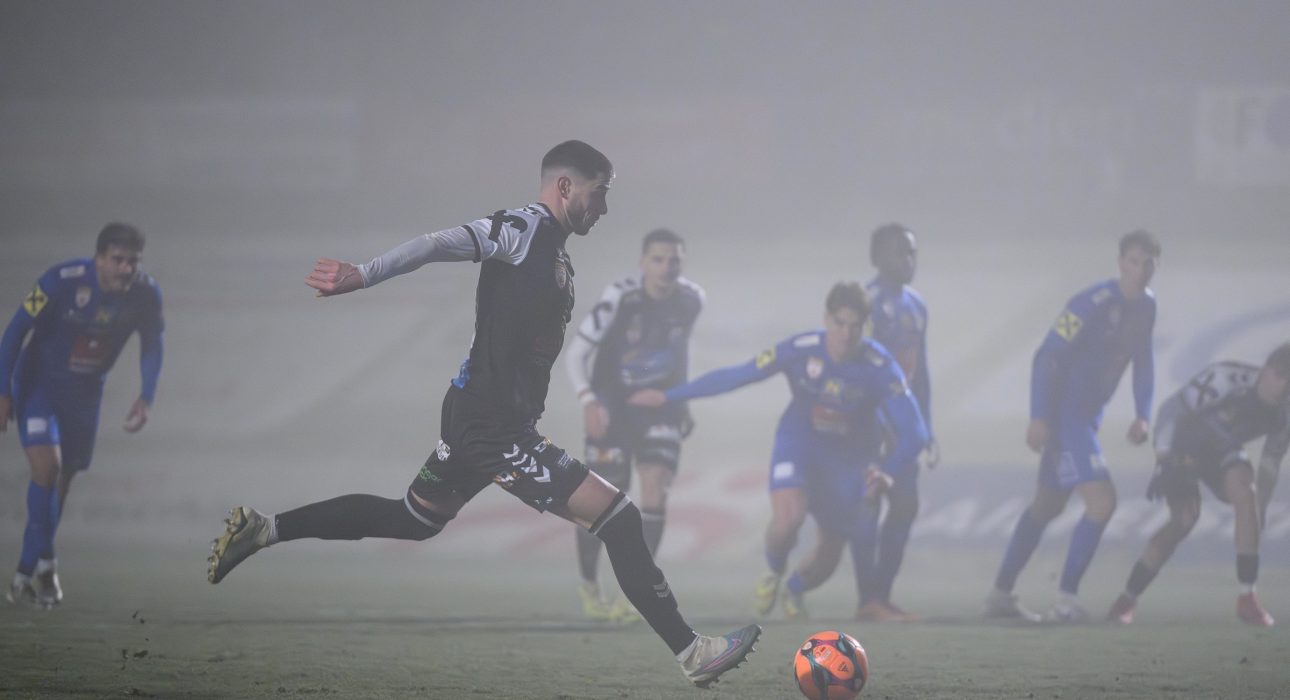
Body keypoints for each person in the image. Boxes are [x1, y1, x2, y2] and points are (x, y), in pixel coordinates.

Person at [203, 141, 760, 687]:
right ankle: (692, 651)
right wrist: (365, 273)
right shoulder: (523, 228)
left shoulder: (556, 251)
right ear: (565, 187)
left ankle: (265, 529)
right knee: (620, 518)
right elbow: (438, 242)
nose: (605, 207)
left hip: (481, 419)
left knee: (412, 519)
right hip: (492, 428)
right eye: (600, 193)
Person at [629, 282, 929, 620]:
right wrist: (670, 396)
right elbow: (739, 375)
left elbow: (916, 433)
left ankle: (796, 588)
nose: (846, 334)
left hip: (849, 460)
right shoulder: (800, 349)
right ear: (826, 318)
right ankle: (773, 570)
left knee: (829, 552)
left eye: (855, 326)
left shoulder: (880, 366)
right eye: (840, 324)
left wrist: (886, 472)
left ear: (865, 326)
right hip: (800, 444)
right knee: (788, 520)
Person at [984, 230, 1160, 623]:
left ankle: (999, 594)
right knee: (1103, 501)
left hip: (1087, 417)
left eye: (1149, 263)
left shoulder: (1147, 308)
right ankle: (1065, 601)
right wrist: (1039, 416)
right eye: (1134, 261)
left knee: (1048, 505)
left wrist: (1143, 413)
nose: (1141, 270)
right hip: (1067, 416)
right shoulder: (1089, 303)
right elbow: (1046, 356)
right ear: (1120, 263)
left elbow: (1144, 363)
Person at [1, 223, 164, 608]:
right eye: (118, 260)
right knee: (47, 468)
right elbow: (13, 334)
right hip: (39, 384)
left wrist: (147, 396)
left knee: (63, 481)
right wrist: (3, 391)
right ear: (100, 258)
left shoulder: (145, 294)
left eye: (133, 262)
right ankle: (39, 567)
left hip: (86, 396)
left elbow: (153, 345)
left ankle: (35, 569)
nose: (126, 269)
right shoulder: (61, 281)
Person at [563, 228, 704, 623]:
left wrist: (683, 399)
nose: (667, 268)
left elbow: (681, 350)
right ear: (643, 264)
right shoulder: (619, 298)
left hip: (659, 407)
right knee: (599, 501)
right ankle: (590, 585)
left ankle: (638, 590)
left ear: (683, 263)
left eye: (674, 260)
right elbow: (577, 353)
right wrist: (588, 400)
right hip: (613, 406)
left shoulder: (692, 300)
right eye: (658, 259)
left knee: (656, 489)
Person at [1106, 343, 1290, 627]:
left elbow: (1270, 462)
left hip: (1224, 447)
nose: (1283, 391)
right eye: (1282, 378)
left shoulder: (1285, 411)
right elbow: (1171, 411)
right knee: (1184, 520)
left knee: (1247, 492)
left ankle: (1247, 598)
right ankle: (1126, 599)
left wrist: (1260, 508)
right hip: (1183, 443)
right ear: (1267, 371)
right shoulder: (1226, 378)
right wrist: (1164, 459)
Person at [855, 222, 935, 622]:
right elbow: (862, 370)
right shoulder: (865, 305)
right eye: (898, 252)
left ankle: (881, 597)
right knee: (869, 504)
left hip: (905, 424)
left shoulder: (917, 305)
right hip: (871, 425)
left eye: (912, 252)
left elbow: (921, 372)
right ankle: (867, 598)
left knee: (905, 505)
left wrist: (927, 427)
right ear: (877, 258)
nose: (908, 261)